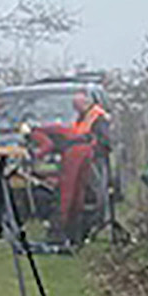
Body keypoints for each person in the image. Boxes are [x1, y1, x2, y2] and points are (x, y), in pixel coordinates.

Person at [51, 92, 111, 245]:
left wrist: (88, 150)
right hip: (81, 158)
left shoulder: (97, 117)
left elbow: (104, 142)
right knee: (80, 193)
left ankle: (92, 224)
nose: (75, 109)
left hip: (92, 160)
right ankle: (80, 228)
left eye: (76, 105)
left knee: (93, 193)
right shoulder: (82, 117)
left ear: (84, 103)